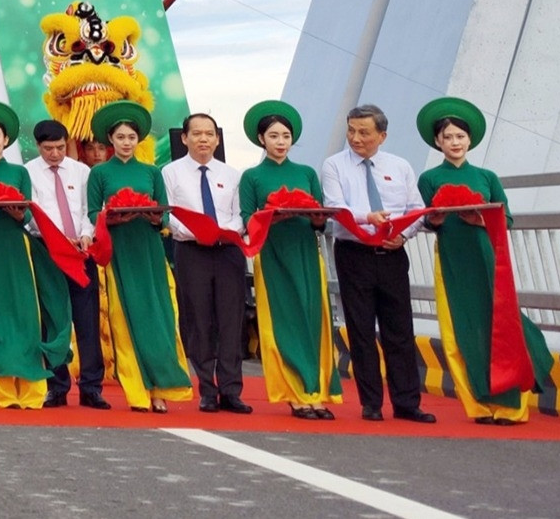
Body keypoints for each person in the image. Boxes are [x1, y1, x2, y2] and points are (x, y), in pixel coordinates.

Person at [415, 98, 554, 425]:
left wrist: (479, 219)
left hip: (488, 258)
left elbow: (506, 219)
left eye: (460, 137)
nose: (454, 143)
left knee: (504, 325)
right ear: (438, 142)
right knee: (464, 330)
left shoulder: (487, 177)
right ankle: (480, 405)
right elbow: (426, 221)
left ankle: (511, 406)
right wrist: (435, 220)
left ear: (470, 140)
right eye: (447, 137)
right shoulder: (429, 179)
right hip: (452, 261)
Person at [322, 104, 434, 423]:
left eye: (364, 132)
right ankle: (371, 403)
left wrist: (404, 235)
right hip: (353, 253)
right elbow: (335, 207)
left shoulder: (399, 166)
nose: (356, 138)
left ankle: (407, 403)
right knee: (361, 330)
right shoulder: (334, 165)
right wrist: (366, 218)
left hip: (392, 253)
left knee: (399, 330)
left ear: (382, 135)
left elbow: (416, 209)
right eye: (351, 131)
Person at [0, 101, 70, 409]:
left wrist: (11, 209)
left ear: (5, 140)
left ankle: (33, 391)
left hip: (17, 249)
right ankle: (5, 392)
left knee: (25, 317)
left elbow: (25, 216)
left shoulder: (19, 173)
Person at [85, 100, 193, 413]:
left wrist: (153, 217)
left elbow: (165, 214)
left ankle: (161, 389)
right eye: (120, 138)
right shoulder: (100, 174)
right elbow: (93, 212)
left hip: (149, 250)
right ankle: (137, 392)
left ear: (139, 139)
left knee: (158, 317)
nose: (126, 143)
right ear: (110, 140)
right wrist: (111, 218)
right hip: (119, 253)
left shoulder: (151, 172)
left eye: (131, 138)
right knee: (123, 319)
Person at [237, 100, 341, 420]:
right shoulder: (252, 177)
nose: (280, 142)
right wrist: (274, 215)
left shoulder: (307, 173)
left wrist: (312, 215)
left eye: (285, 136)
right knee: (284, 322)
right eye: (273, 136)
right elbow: (247, 219)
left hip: (307, 254)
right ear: (261, 139)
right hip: (273, 257)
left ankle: (317, 392)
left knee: (313, 320)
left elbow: (321, 218)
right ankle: (296, 395)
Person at [162, 113, 251, 414]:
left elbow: (241, 213)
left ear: (217, 138)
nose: (203, 139)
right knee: (198, 321)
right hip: (191, 250)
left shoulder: (232, 174)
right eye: (196, 133)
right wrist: (195, 232)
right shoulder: (170, 173)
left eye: (209, 133)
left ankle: (231, 390)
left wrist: (230, 230)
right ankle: (207, 391)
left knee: (230, 320)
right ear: (184, 138)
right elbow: (169, 213)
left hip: (227, 251)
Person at [25, 119, 109, 409]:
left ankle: (91, 387)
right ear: (38, 146)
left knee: (87, 322)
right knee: (53, 322)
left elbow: (90, 210)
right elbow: (33, 214)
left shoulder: (82, 171)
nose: (55, 154)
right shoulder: (28, 173)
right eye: (48, 149)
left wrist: (86, 235)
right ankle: (56, 387)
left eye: (60, 147)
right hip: (48, 253)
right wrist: (59, 240)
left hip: (80, 254)